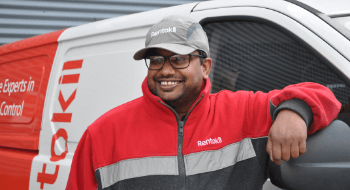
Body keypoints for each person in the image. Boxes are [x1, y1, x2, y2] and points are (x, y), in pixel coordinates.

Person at [66, 15, 341, 190]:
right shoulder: (102, 134)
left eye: (179, 58)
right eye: (157, 59)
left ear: (206, 67)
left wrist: (294, 110)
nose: (165, 70)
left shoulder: (243, 112)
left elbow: (324, 95)